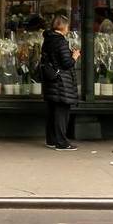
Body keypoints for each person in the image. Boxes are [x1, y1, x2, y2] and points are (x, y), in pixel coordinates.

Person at [41, 15, 80, 151]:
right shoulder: (61, 41)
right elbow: (66, 63)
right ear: (63, 27)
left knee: (52, 112)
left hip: (50, 80)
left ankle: (51, 140)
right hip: (61, 82)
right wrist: (74, 56)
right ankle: (62, 143)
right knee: (61, 113)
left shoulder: (47, 39)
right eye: (67, 26)